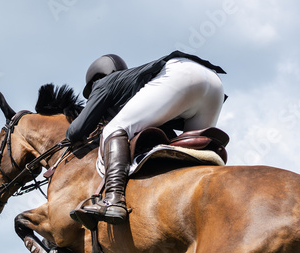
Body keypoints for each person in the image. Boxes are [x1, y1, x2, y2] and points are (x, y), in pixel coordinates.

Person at [66, 50, 226, 225]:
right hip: (214, 84)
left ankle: (113, 199)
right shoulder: (140, 87)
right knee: (191, 160)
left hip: (181, 74)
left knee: (114, 129)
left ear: (96, 79)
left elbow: (75, 131)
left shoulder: (103, 83)